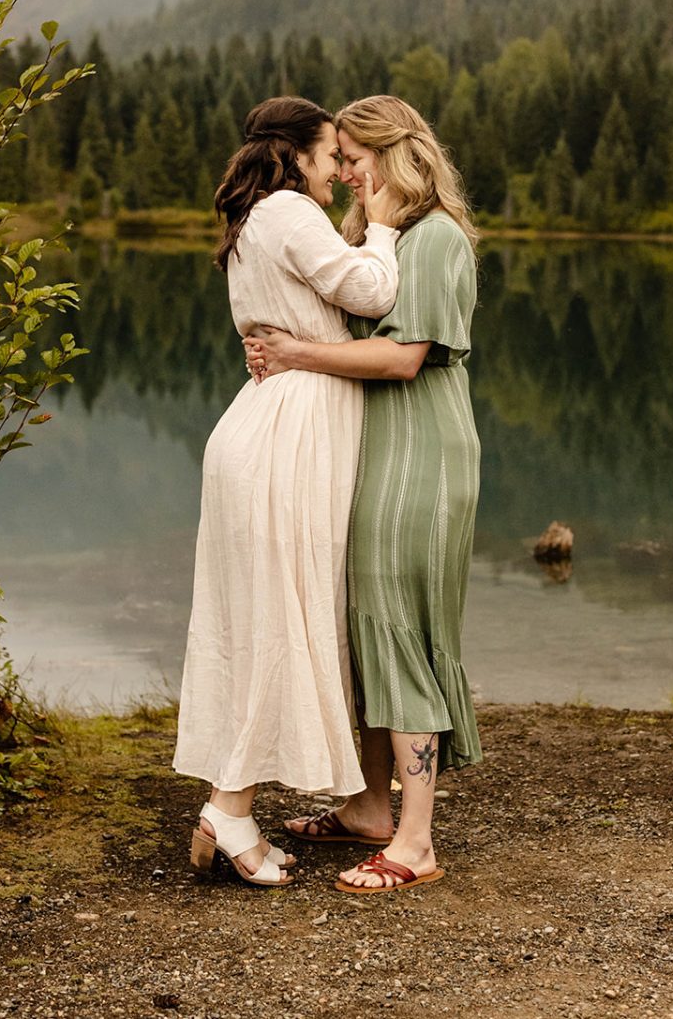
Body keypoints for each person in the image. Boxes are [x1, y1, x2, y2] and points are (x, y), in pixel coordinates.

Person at [245, 94, 482, 894]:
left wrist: (298, 354)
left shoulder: (439, 237)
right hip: (378, 450)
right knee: (365, 625)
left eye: (353, 158)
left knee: (400, 627)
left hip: (422, 453)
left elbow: (406, 358)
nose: (343, 173)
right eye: (337, 158)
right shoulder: (383, 239)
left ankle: (415, 843)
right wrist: (280, 348)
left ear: (392, 153)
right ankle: (369, 808)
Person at [173, 95, 401, 888]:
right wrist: (387, 227)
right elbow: (372, 293)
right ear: (300, 152)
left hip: (267, 423)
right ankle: (229, 809)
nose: (341, 171)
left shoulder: (255, 219)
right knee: (283, 615)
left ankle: (228, 804)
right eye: (333, 154)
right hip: (292, 433)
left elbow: (314, 302)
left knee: (267, 617)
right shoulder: (291, 211)